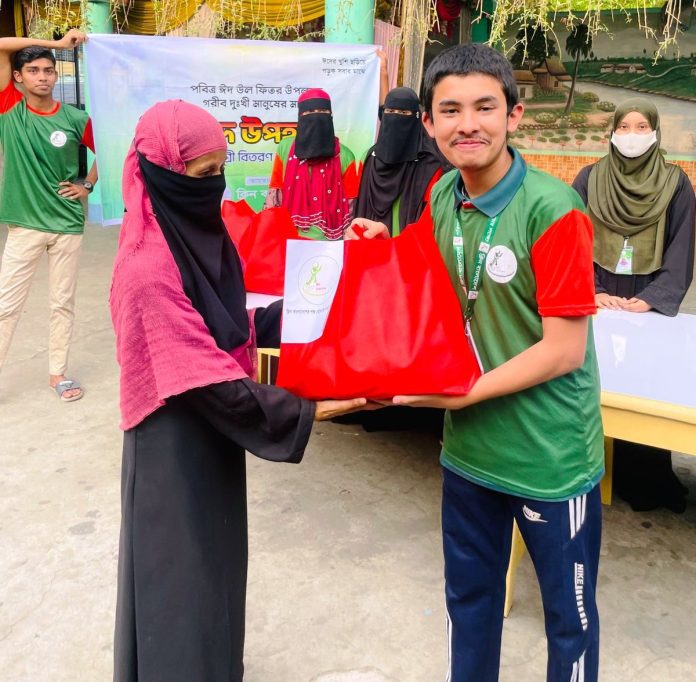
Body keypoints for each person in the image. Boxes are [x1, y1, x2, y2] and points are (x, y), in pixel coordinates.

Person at [348, 44, 604, 682]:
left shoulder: (555, 211)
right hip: (468, 453)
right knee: (468, 604)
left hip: (549, 458)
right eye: (450, 110)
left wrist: (463, 393)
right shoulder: (442, 193)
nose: (469, 124)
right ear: (428, 124)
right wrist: (384, 243)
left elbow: (564, 349)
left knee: (568, 623)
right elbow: (426, 259)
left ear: (514, 115)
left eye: (485, 107)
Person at [110, 99, 370, 682]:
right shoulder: (146, 268)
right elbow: (206, 380)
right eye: (202, 174)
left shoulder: (195, 238)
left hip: (212, 436)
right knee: (180, 587)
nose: (216, 185)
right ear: (163, 173)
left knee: (217, 570)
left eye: (220, 170)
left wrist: (299, 313)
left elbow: (223, 324)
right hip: (171, 447)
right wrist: (310, 410)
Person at [573, 99, 695, 513]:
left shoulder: (676, 184)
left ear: (655, 131)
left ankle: (644, 477)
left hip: (647, 292)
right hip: (598, 291)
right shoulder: (589, 179)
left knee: (645, 381)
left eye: (642, 126)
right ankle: (592, 466)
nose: (632, 135)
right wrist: (589, 289)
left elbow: (682, 247)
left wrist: (653, 299)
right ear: (612, 132)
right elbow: (571, 239)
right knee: (595, 380)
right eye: (624, 126)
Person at [0, 29, 97, 402]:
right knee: (6, 306)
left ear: (56, 76)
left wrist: (86, 185)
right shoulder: (9, 108)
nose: (42, 77)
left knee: (62, 303)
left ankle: (58, 374)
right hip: (24, 225)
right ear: (18, 77)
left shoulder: (74, 117)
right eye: (34, 70)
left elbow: (109, 148)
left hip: (66, 224)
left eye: (49, 70)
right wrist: (56, 45)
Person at [264, 88, 358, 240]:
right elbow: (275, 193)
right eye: (310, 112)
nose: (316, 116)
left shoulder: (345, 155)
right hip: (290, 236)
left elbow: (351, 204)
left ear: (331, 115)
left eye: (322, 111)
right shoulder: (285, 148)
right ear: (300, 116)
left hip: (330, 242)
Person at [354, 86, 449, 237]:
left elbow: (431, 217)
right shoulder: (370, 157)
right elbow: (360, 203)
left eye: (403, 113)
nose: (395, 117)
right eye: (390, 111)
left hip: (407, 245)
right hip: (371, 240)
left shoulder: (430, 164)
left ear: (417, 117)